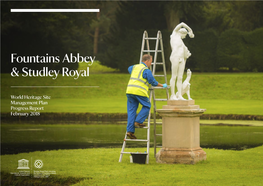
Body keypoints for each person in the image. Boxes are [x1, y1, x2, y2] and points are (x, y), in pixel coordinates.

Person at [126, 54, 167, 139]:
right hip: (139, 91)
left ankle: (130, 131)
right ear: (147, 61)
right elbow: (153, 82)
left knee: (131, 111)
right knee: (147, 105)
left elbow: (129, 69)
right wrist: (162, 85)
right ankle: (138, 121)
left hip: (129, 91)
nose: (151, 64)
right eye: (151, 62)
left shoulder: (134, 67)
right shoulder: (146, 70)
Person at [169, 22, 194, 100]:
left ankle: (179, 95)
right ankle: (173, 95)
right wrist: (190, 30)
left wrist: (186, 54)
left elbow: (185, 52)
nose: (184, 37)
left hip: (181, 59)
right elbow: (182, 24)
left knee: (180, 77)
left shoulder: (182, 43)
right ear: (182, 33)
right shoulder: (174, 35)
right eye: (185, 35)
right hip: (175, 57)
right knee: (174, 76)